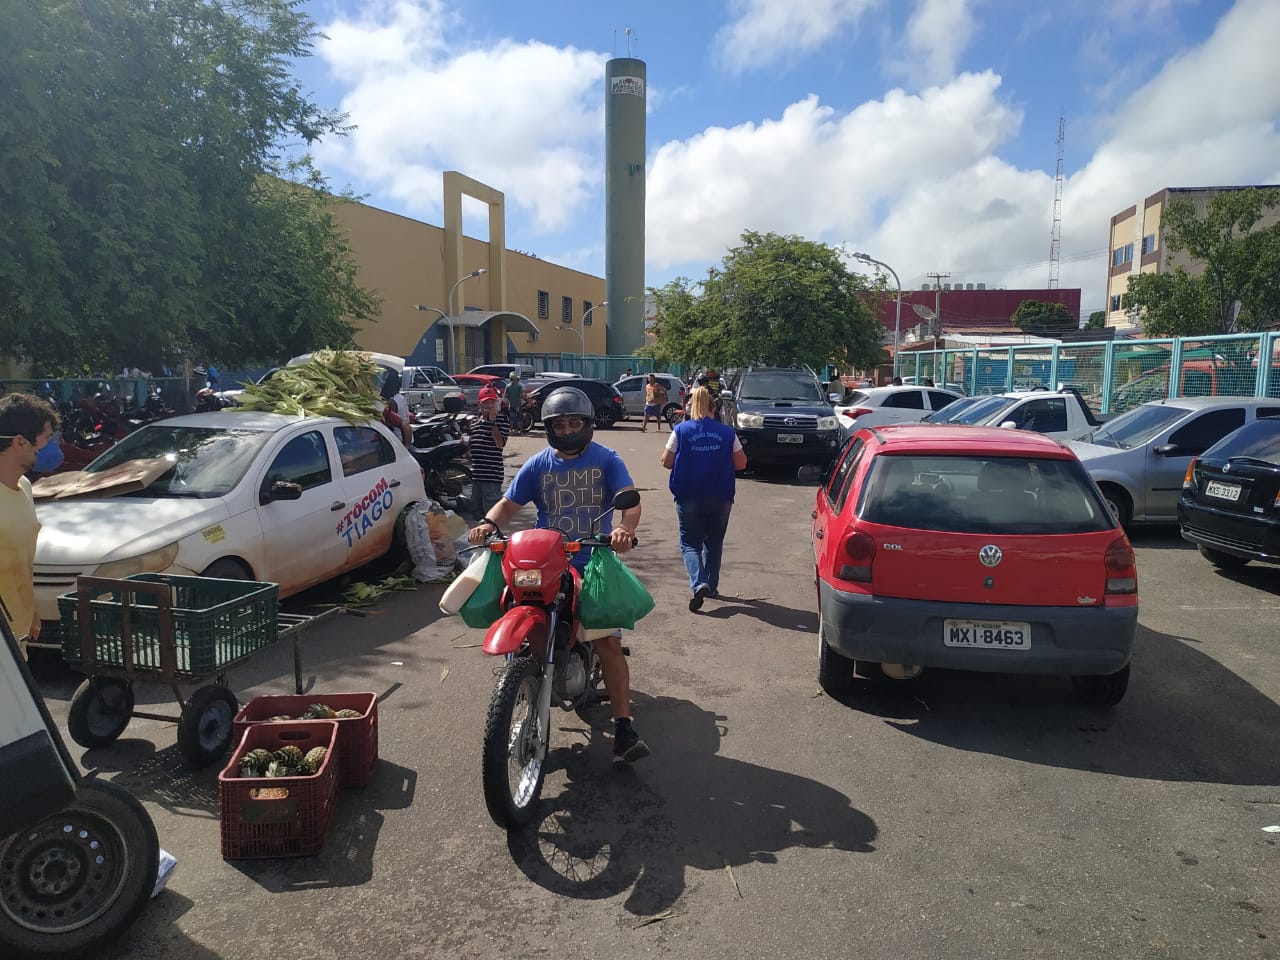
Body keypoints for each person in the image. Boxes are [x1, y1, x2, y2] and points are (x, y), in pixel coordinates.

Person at [467, 386, 648, 763]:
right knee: (514, 609)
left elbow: (630, 501)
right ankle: (520, 685)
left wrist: (624, 531)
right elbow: (508, 503)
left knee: (607, 642)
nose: (566, 430)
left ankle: (624, 727)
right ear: (550, 428)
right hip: (547, 558)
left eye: (573, 423)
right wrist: (487, 523)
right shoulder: (538, 464)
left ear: (587, 424)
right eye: (559, 424)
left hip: (592, 558)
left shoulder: (606, 459)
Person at [660, 387, 746, 611]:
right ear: (713, 408)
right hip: (721, 496)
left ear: (691, 407)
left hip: (688, 495)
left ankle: (699, 583)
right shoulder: (727, 433)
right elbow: (741, 463)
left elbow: (666, 461)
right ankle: (713, 586)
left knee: (690, 543)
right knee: (714, 543)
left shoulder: (681, 430)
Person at [0, 394, 59, 659]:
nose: (48, 447)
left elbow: (24, 560)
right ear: (19, 442)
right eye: (45, 438)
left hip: (18, 635)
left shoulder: (24, 487)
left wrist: (32, 609)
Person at [468, 385, 510, 518]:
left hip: (491, 475)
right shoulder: (475, 421)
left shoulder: (502, 419)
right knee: (477, 513)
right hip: (476, 474)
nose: (489, 405)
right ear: (480, 404)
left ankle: (493, 537)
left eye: (492, 401)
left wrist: (492, 422)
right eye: (486, 402)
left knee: (491, 515)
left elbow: (499, 443)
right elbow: (472, 442)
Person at [380, 371, 412, 446]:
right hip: (407, 438)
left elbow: (405, 426)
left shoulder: (391, 402)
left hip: (398, 440)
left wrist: (405, 449)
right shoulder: (400, 397)